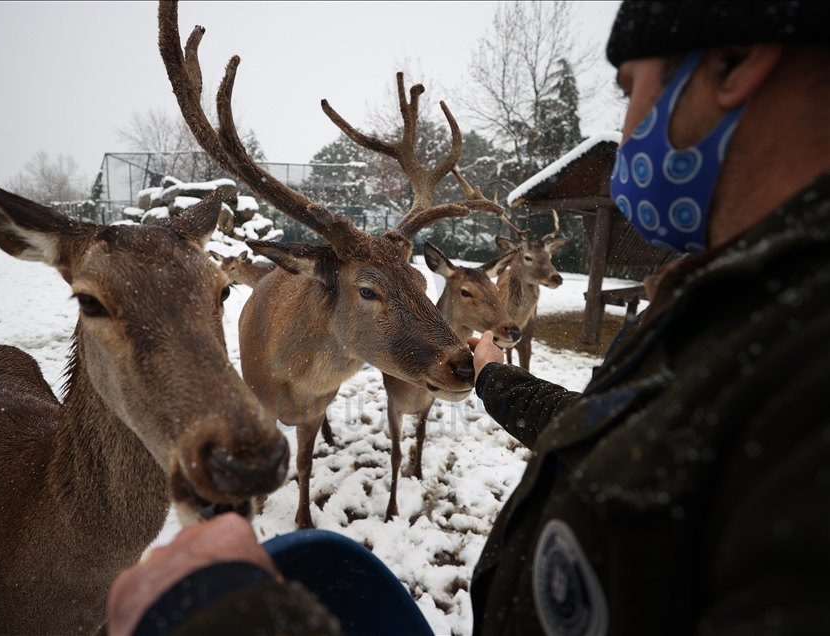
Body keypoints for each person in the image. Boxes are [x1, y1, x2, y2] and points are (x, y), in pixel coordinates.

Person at [109, 2, 829, 634]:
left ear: (733, 62)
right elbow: (641, 445)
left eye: (629, 89)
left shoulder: (800, 358)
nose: (627, 132)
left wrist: (231, 622)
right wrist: (492, 379)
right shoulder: (741, 308)